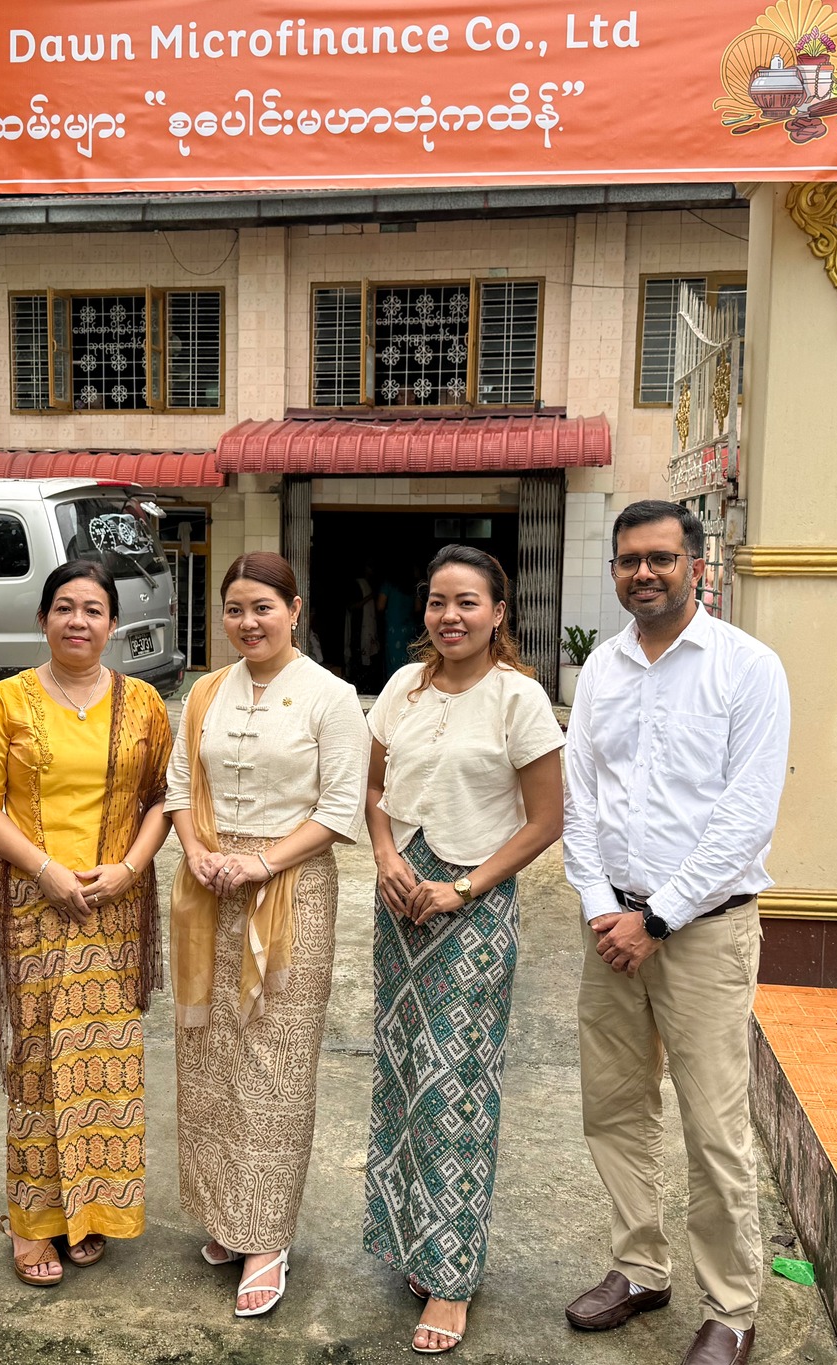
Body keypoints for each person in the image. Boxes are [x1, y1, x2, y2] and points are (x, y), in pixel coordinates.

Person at [561, 501, 791, 1365]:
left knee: (714, 1123)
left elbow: (745, 816)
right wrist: (601, 906)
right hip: (611, 928)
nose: (644, 573)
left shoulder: (747, 667)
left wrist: (657, 919)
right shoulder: (604, 668)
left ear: (697, 563)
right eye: (629, 560)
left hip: (702, 933)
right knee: (615, 1106)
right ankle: (639, 1267)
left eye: (661, 557)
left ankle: (730, 1307)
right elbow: (580, 797)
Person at [362, 546, 566, 1355]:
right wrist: (385, 857)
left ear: (498, 612)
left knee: (458, 1086)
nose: (450, 616)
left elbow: (546, 820)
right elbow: (373, 791)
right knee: (405, 1076)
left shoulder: (519, 698)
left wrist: (465, 887)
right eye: (438, 601)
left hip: (471, 912)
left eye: (468, 602)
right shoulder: (402, 689)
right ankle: (414, 1242)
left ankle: (452, 1277)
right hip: (400, 904)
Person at [167, 552, 371, 1318]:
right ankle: (228, 1215)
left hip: (290, 888)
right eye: (235, 609)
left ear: (295, 608)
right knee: (211, 1056)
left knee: (274, 1064)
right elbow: (179, 787)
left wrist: (261, 862)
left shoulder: (331, 695)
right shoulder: (205, 691)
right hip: (208, 886)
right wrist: (197, 852)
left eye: (263, 607)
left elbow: (340, 807)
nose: (248, 622)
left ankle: (267, 1236)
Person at [0, 559, 174, 1287]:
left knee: (105, 1065)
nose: (77, 621)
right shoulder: (4, 700)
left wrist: (130, 869)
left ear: (113, 623)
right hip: (35, 903)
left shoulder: (143, 703)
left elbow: (162, 799)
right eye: (63, 607)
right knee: (38, 1063)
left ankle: (90, 1213)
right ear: (43, 618)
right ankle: (33, 1222)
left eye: (92, 609)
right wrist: (45, 870)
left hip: (115, 906)